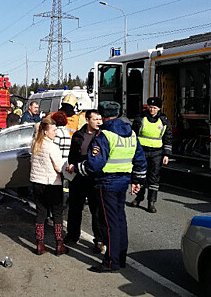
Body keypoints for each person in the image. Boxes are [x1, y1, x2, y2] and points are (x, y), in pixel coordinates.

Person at [74, 101, 147, 273]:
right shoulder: (131, 134)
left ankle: (111, 262)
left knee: (109, 223)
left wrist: (77, 168)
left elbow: (95, 164)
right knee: (120, 221)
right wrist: (137, 181)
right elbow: (140, 160)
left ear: (103, 116)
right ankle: (121, 258)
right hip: (122, 182)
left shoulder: (104, 136)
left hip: (106, 183)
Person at [65, 110, 105, 253]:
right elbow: (72, 156)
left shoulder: (102, 136)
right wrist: (72, 167)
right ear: (88, 120)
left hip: (94, 178)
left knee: (97, 211)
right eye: (96, 119)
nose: (99, 122)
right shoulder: (78, 135)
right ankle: (72, 236)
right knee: (75, 208)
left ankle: (99, 240)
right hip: (79, 178)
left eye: (100, 119)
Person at [30, 117, 69, 256]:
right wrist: (68, 168)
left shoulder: (35, 144)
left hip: (36, 182)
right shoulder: (52, 147)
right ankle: (59, 243)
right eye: (53, 130)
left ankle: (40, 244)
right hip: (51, 184)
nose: (56, 132)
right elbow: (59, 168)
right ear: (45, 132)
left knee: (40, 213)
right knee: (57, 214)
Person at [129, 97, 171, 213]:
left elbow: (167, 137)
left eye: (155, 108)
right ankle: (138, 197)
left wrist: (166, 154)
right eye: (150, 107)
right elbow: (133, 134)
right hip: (141, 152)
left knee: (154, 178)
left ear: (159, 109)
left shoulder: (164, 120)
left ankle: (151, 202)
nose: (152, 109)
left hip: (157, 153)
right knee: (140, 175)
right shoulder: (140, 118)